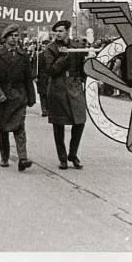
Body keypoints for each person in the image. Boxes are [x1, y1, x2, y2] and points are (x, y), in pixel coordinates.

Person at [0, 24, 36, 171]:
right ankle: (4, 156)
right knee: (4, 129)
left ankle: (23, 158)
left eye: (16, 36)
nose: (15, 39)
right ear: (6, 38)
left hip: (19, 96)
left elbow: (28, 78)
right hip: (3, 97)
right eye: (12, 36)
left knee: (20, 127)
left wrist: (31, 97)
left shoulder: (23, 55)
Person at [42, 20, 87, 169]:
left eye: (61, 31)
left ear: (68, 31)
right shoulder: (50, 49)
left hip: (74, 87)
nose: (58, 34)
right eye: (56, 31)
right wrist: (62, 57)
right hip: (58, 88)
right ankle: (62, 158)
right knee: (58, 124)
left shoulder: (77, 47)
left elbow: (83, 68)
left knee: (80, 121)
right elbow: (51, 70)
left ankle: (73, 154)